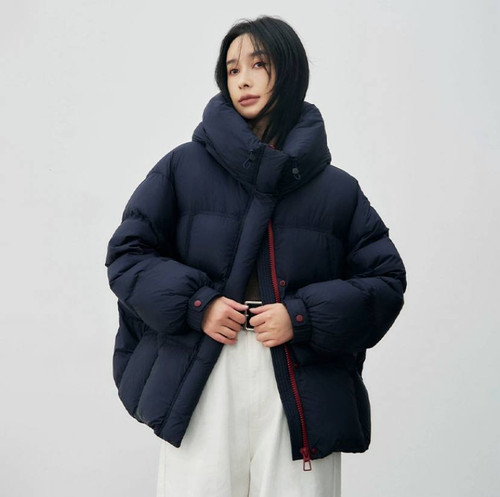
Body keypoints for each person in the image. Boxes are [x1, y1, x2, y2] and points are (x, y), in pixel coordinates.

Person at [104, 15, 407, 497]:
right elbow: (128, 254)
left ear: (289, 71)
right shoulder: (182, 166)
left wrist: (301, 317)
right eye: (232, 69)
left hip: (299, 381)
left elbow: (385, 281)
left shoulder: (337, 190)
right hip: (205, 370)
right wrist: (198, 305)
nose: (242, 79)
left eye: (258, 64)